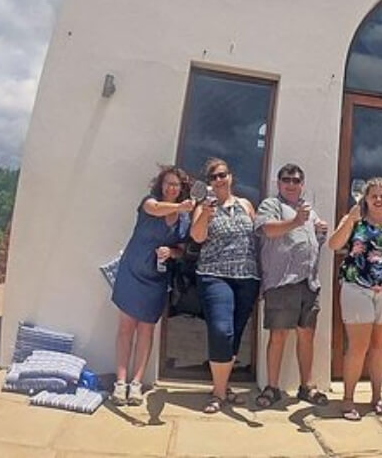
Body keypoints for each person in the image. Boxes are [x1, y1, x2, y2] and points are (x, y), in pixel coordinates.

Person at [328, 176, 382, 420]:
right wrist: (349, 219)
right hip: (356, 288)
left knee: (379, 346)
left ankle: (377, 396)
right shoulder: (355, 221)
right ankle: (348, 399)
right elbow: (334, 245)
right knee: (358, 347)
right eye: (373, 195)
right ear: (365, 198)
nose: (378, 199)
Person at [109, 166, 194, 405]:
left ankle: (136, 384)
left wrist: (172, 252)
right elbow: (155, 210)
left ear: (181, 188)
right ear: (160, 185)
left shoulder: (185, 218)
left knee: (146, 330)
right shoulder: (150, 202)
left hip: (157, 278)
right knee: (126, 328)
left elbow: (183, 248)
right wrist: (180, 206)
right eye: (167, 183)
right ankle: (120, 382)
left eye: (176, 185)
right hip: (132, 272)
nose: (171, 188)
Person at [253, 163, 329, 408]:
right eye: (287, 180)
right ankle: (272, 387)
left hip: (308, 283)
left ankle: (306, 387)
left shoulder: (307, 209)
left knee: (307, 336)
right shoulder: (271, 205)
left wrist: (320, 231)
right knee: (278, 336)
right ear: (279, 183)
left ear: (302, 184)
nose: (291, 184)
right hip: (282, 281)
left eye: (296, 180)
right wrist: (297, 221)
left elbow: (311, 241)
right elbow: (267, 230)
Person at [190, 157, 261, 414]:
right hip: (214, 275)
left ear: (231, 177)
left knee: (235, 335)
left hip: (247, 277)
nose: (219, 180)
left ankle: (221, 387)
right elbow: (197, 237)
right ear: (208, 183)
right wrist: (206, 215)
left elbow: (257, 239)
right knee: (221, 330)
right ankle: (219, 394)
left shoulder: (245, 205)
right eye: (214, 177)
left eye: (223, 175)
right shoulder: (203, 207)